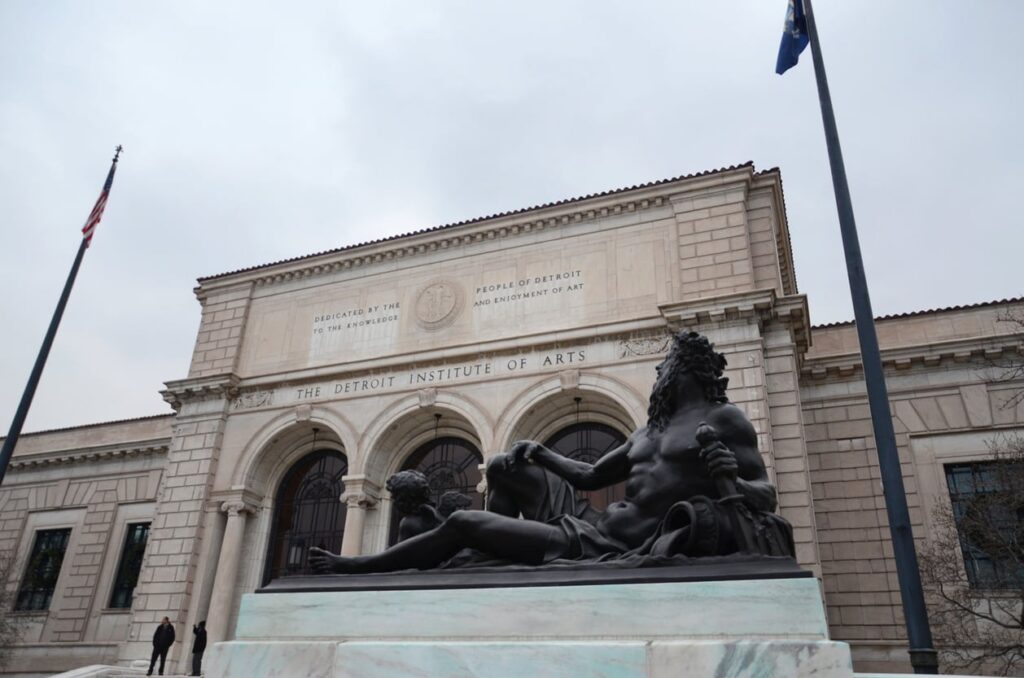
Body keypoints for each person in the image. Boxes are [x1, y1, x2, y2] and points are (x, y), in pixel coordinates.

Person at [310, 331, 792, 574]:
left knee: (460, 522)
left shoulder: (724, 420)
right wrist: (539, 451)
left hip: (611, 546)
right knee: (502, 465)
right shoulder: (648, 431)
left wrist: (734, 475)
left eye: (663, 365)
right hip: (591, 524)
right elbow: (588, 477)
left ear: (684, 368)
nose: (658, 373)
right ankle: (486, 554)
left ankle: (359, 566)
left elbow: (764, 496)